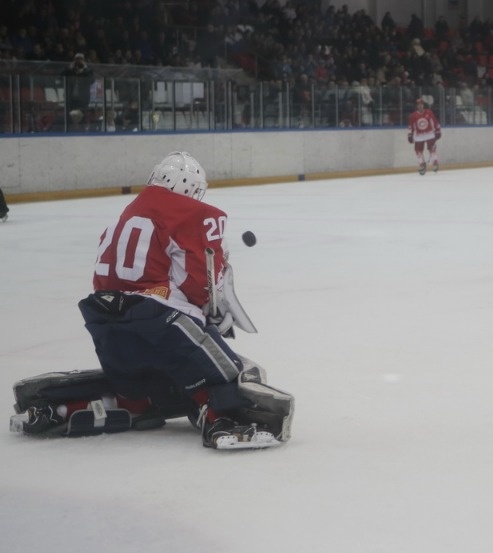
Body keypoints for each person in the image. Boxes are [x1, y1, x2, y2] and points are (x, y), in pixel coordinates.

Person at [9, 152, 295, 448]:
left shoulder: (125, 217)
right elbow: (198, 283)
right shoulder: (190, 213)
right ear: (189, 188)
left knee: (143, 394)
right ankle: (224, 420)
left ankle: (59, 407)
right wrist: (209, 309)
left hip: (104, 323)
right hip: (159, 320)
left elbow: (104, 283)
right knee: (229, 374)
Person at [407, 97, 441, 175]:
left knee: (432, 149)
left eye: (421, 104)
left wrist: (437, 130)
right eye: (418, 104)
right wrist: (410, 134)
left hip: (429, 134)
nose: (420, 106)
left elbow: (435, 121)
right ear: (416, 106)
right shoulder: (413, 115)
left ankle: (435, 163)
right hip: (419, 136)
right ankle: (422, 164)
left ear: (423, 105)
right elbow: (410, 126)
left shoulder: (429, 112)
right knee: (418, 151)